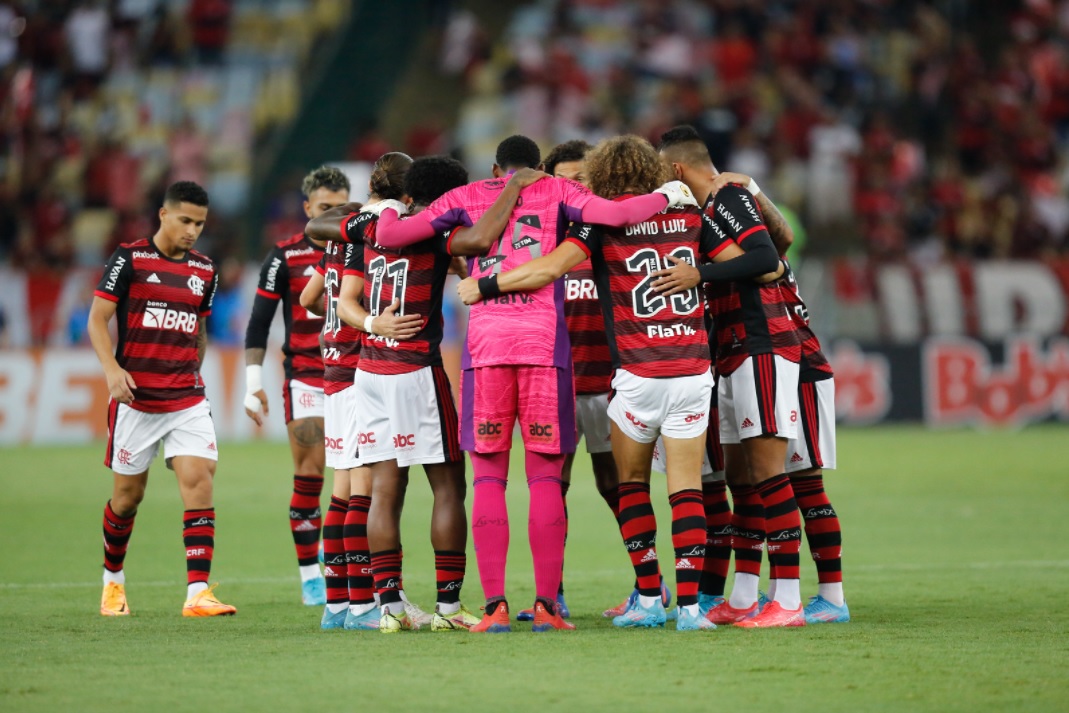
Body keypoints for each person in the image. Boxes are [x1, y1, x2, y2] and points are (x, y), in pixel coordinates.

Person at [375, 134, 697, 632]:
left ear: (494, 165)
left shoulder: (464, 197)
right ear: (537, 165)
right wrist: (667, 196)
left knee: (488, 479)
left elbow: (392, 237)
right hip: (546, 348)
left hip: (485, 351)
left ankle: (495, 608)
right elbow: (615, 217)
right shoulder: (558, 192)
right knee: (546, 478)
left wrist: (391, 205)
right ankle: (548, 607)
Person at [457, 135, 780, 631]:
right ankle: (690, 609)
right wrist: (702, 273)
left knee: (629, 485)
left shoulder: (596, 226)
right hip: (693, 369)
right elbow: (760, 263)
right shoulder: (692, 217)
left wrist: (486, 285)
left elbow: (547, 269)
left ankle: (650, 596)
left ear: (602, 175)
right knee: (686, 488)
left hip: (635, 373)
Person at [654, 126, 808, 628]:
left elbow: (768, 256)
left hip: (762, 343)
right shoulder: (706, 211)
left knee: (769, 472)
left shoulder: (727, 197)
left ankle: (787, 598)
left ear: (675, 170)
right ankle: (744, 598)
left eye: (661, 171)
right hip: (734, 349)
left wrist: (700, 273)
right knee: (742, 479)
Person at [703, 172, 848, 624]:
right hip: (767, 360)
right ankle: (747, 594)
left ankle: (827, 597)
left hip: (797, 365)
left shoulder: (763, 261)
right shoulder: (748, 258)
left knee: (802, 484)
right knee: (746, 483)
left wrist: (750, 189)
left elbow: (777, 241)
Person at [89, 180, 235, 618]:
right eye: (186, 220)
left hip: (186, 399)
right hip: (137, 401)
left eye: (200, 223)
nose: (193, 230)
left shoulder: (205, 270)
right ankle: (112, 582)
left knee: (199, 481)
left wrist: (193, 371)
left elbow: (200, 328)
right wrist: (113, 371)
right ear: (164, 215)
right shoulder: (130, 259)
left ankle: (198, 592)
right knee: (127, 498)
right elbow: (98, 320)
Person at [244, 166, 350, 606]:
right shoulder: (284, 257)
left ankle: (350, 566)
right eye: (325, 208)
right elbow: (258, 324)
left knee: (356, 480)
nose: (333, 216)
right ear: (307, 209)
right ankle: (311, 576)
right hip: (307, 375)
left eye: (342, 207)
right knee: (310, 473)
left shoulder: (362, 249)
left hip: (358, 373)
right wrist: (253, 382)